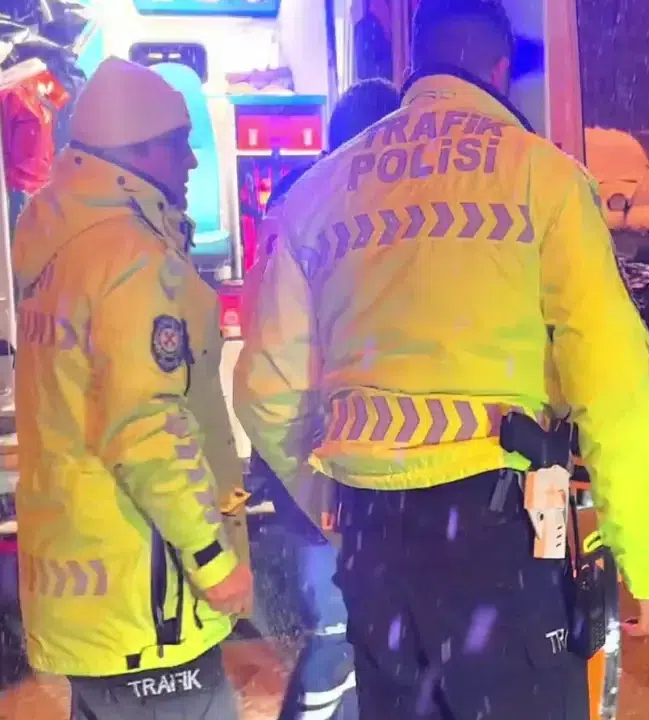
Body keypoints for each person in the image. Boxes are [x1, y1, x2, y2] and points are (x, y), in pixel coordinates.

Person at [233, 2, 649, 718]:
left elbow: (265, 392)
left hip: (373, 539)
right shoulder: (543, 180)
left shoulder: (319, 193)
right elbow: (613, 382)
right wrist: (644, 557)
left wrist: (335, 507)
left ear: (416, 64)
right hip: (498, 541)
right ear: (499, 70)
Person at [12, 57, 252, 719]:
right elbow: (146, 427)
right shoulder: (131, 259)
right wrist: (213, 559)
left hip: (89, 591)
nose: (192, 162)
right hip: (150, 599)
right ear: (134, 151)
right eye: (179, 144)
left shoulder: (58, 242)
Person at [245, 76, 401, 720]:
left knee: (352, 637)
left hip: (311, 460)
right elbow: (279, 374)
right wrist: (320, 493)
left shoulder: (303, 203)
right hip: (323, 464)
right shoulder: (332, 211)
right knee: (338, 638)